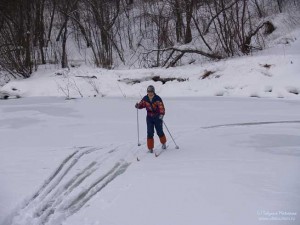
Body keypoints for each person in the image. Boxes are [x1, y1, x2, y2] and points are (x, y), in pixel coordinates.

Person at [135, 85, 167, 153]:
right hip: (149, 117)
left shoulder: (157, 98)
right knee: (150, 132)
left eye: (151, 92)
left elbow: (161, 107)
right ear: (147, 92)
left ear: (153, 92)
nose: (150, 93)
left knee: (159, 131)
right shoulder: (145, 98)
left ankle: (163, 143)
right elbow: (141, 105)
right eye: (149, 91)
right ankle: (150, 148)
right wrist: (138, 106)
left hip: (157, 117)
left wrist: (161, 114)